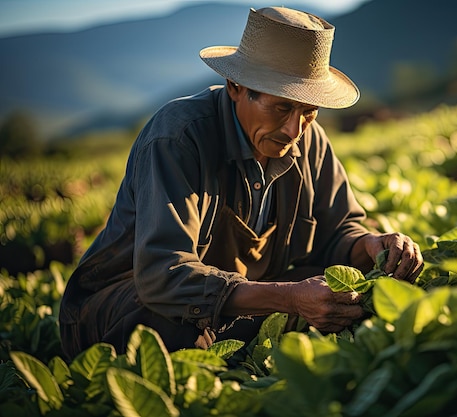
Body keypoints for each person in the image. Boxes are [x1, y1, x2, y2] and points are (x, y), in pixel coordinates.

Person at [59, 6, 423, 361]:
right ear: (236, 86)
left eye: (308, 112)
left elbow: (340, 232)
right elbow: (162, 278)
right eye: (281, 108)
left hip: (237, 298)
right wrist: (288, 297)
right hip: (122, 306)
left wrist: (373, 244)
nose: (294, 130)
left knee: (351, 291)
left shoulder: (308, 140)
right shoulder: (178, 138)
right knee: (179, 324)